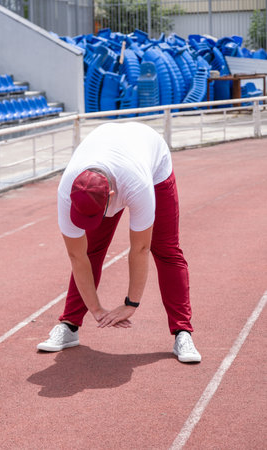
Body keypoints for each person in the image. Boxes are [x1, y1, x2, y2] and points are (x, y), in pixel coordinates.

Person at [37, 122, 201, 363]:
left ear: (111, 197)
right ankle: (70, 326)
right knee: (90, 250)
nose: (89, 222)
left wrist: (130, 303)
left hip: (151, 163)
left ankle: (182, 332)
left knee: (166, 249)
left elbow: (140, 249)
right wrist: (96, 309)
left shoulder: (137, 185)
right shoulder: (67, 191)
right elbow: (77, 256)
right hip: (111, 153)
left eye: (94, 215)